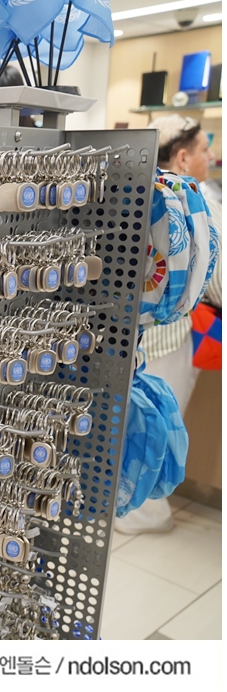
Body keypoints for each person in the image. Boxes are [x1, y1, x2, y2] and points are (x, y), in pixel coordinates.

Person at [115, 114, 221, 535]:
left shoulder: (132, 189)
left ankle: (130, 507)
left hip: (129, 338)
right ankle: (142, 514)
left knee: (132, 423)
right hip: (167, 337)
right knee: (155, 427)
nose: (210, 156)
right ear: (182, 156)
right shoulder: (195, 202)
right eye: (204, 150)